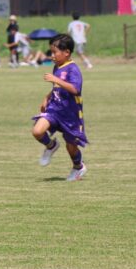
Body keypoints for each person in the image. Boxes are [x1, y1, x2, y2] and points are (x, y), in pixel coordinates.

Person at [31, 33, 88, 182]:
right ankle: (51, 145)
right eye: (51, 52)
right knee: (37, 131)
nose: (52, 56)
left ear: (67, 52)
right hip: (55, 109)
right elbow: (57, 87)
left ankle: (78, 166)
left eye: (54, 52)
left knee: (71, 146)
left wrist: (56, 79)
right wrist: (47, 97)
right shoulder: (57, 66)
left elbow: (75, 89)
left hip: (71, 114)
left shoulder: (73, 69)